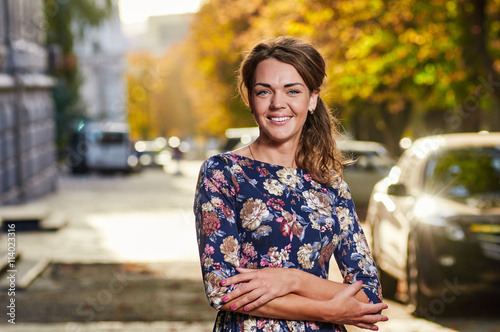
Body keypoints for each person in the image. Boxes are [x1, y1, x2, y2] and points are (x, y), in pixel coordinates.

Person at [193, 36, 388, 332]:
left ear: (312, 99)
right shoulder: (223, 173)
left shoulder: (331, 184)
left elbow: (369, 296)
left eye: (292, 90)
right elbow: (222, 289)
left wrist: (294, 279)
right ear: (250, 98)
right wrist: (328, 310)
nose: (277, 103)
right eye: (264, 91)